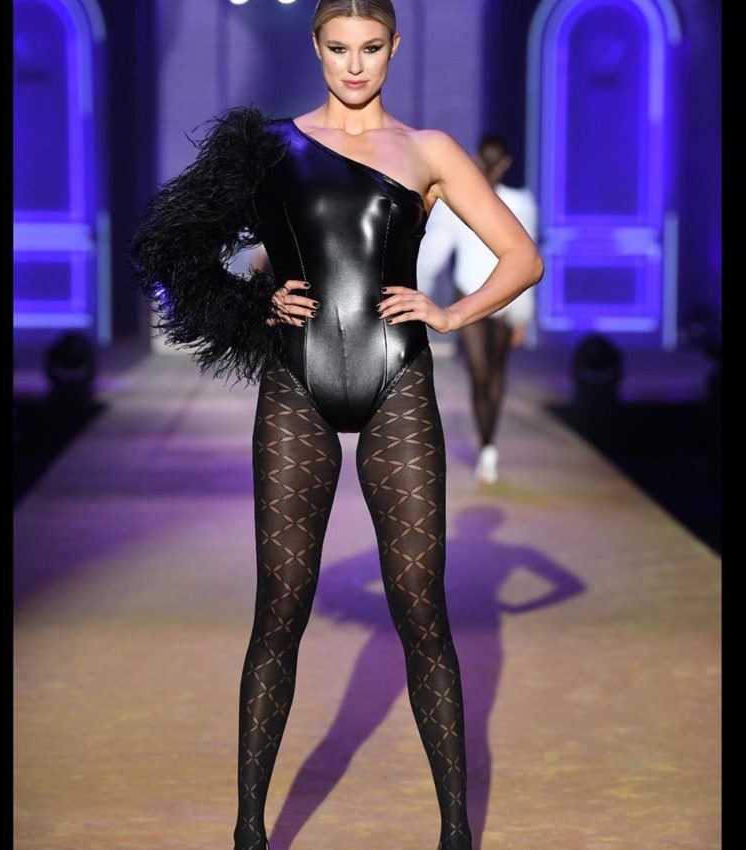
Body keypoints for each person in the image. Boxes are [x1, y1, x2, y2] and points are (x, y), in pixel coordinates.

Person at [129, 2, 543, 848]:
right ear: (316, 47)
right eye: (339, 47)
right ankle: (249, 833)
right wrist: (249, 304)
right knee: (279, 613)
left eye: (371, 48)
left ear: (394, 48)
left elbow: (523, 257)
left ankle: (455, 834)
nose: (355, 65)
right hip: (296, 382)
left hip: (398, 381)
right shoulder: (266, 147)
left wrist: (452, 313)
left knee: (422, 613)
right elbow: (172, 245)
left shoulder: (428, 150)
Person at [417, 134, 539, 484]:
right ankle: (487, 445)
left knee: (486, 373)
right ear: (506, 162)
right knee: (488, 372)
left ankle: (487, 444)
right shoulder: (516, 202)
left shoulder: (494, 200)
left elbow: (435, 250)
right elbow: (529, 258)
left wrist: (418, 288)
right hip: (493, 295)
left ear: (476, 157)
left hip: (486, 294)